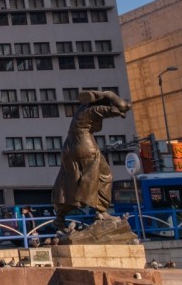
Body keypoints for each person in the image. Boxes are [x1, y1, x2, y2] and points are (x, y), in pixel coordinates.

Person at [52, 90, 132, 232]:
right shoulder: (95, 110)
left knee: (69, 181)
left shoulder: (81, 110)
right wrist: (109, 94)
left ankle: (60, 217)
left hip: (69, 147)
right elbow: (124, 106)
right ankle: (101, 211)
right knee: (104, 175)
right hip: (85, 144)